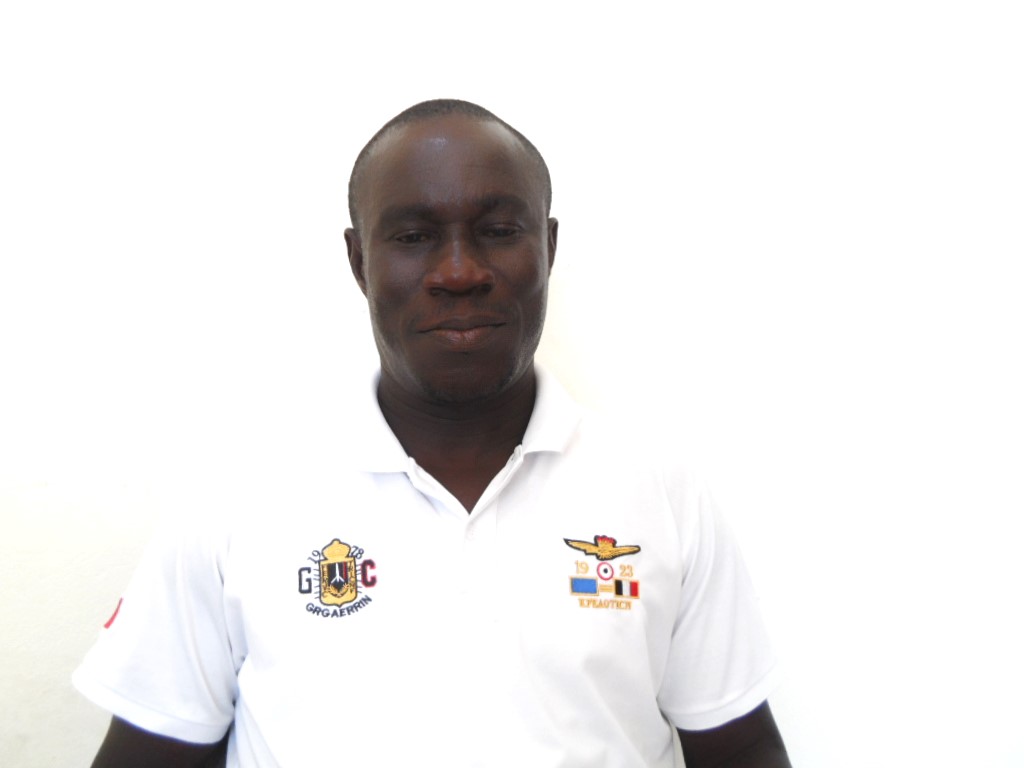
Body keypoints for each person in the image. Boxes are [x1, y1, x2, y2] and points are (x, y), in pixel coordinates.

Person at [74, 99, 791, 767]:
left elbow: (742, 750)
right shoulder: (241, 498)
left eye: (499, 231)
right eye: (414, 237)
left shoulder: (659, 491)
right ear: (360, 261)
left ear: (547, 246)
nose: (459, 272)